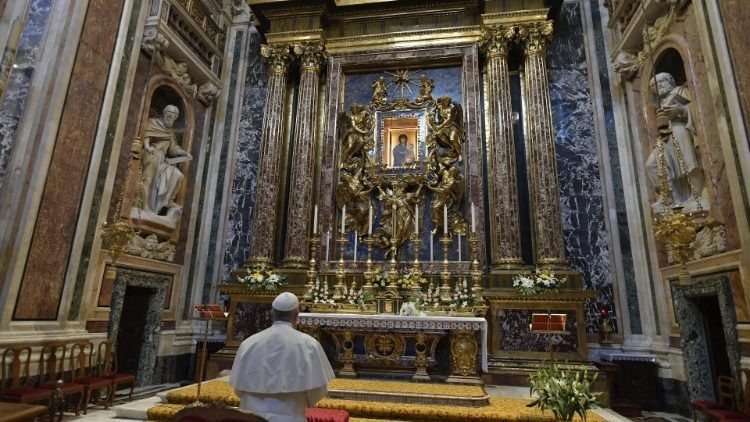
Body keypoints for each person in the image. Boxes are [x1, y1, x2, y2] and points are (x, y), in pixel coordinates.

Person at [229, 292, 334, 422]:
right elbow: (318, 390)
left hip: (250, 416)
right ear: (296, 315)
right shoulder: (310, 345)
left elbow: (238, 389)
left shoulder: (249, 343)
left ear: (272, 314)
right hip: (291, 416)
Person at [139, 105, 192, 214]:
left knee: (178, 175)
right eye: (169, 112)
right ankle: (145, 206)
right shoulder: (153, 122)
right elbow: (146, 135)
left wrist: (184, 153)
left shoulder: (170, 133)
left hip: (162, 160)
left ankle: (167, 201)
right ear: (164, 112)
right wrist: (148, 147)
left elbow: (172, 150)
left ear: (176, 117)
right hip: (151, 153)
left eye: (174, 114)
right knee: (147, 179)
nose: (171, 115)